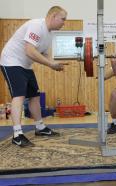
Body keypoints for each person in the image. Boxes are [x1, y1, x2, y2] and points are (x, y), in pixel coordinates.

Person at [0, 6, 68, 147]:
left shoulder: (49, 34)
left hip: (25, 65)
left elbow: (43, 53)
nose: (64, 23)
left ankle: (40, 127)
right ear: (53, 16)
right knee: (19, 96)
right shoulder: (36, 25)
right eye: (63, 19)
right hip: (11, 61)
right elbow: (30, 51)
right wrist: (50, 65)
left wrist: (53, 63)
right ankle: (17, 134)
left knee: (35, 96)